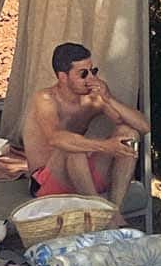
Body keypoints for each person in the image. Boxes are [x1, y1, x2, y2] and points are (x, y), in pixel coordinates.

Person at [21, 42, 149, 208]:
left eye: (93, 71)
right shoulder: (45, 99)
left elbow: (144, 127)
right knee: (72, 149)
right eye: (83, 74)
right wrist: (104, 146)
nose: (91, 79)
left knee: (128, 134)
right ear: (63, 77)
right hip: (48, 182)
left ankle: (114, 210)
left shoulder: (93, 98)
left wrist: (108, 98)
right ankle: (100, 210)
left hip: (80, 175)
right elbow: (55, 139)